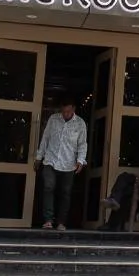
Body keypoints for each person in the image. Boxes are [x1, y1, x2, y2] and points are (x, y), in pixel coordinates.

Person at [35, 98, 88, 230]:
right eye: (63, 111)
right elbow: (45, 138)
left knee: (65, 192)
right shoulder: (53, 119)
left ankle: (61, 222)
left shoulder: (80, 123)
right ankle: (48, 220)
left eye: (68, 111)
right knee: (48, 187)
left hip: (69, 163)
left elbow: (82, 144)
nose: (65, 114)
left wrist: (80, 160)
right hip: (51, 160)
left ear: (73, 109)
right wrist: (39, 157)